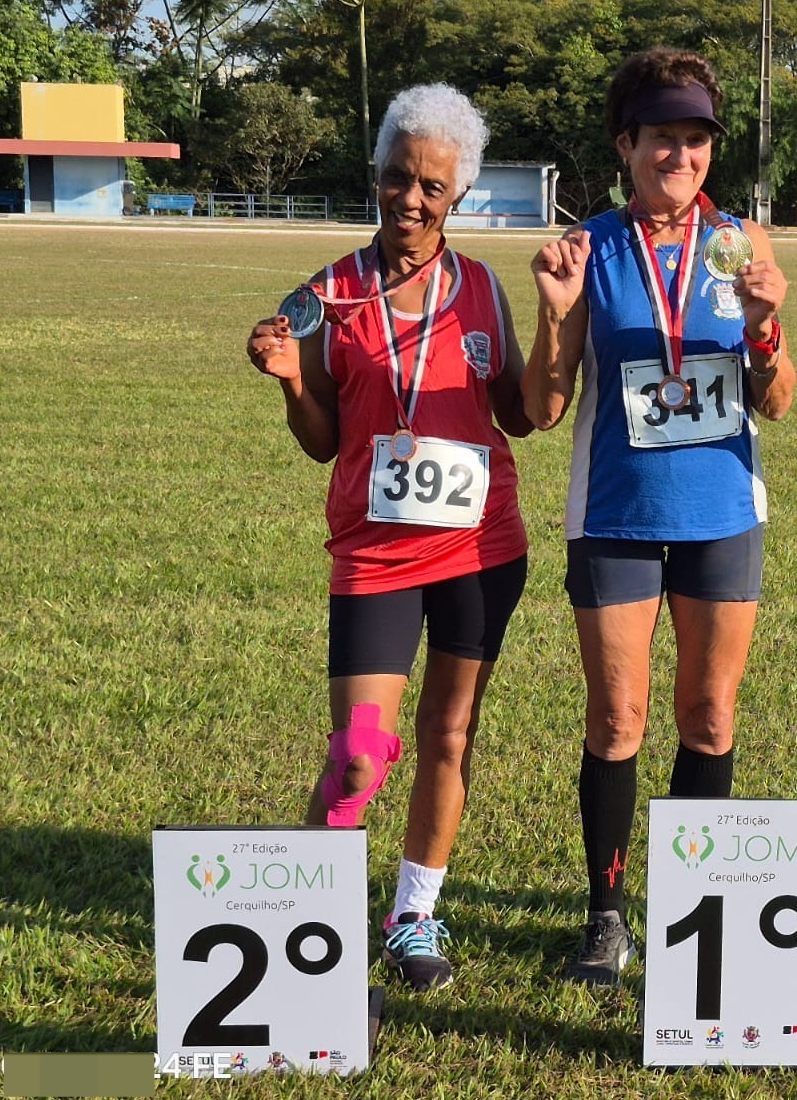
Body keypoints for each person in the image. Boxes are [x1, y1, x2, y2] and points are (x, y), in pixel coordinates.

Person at [245, 83, 533, 992]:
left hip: (482, 552)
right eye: (397, 178)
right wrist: (293, 381)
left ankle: (413, 913)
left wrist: (562, 320)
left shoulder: (482, 286)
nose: (412, 200)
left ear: (459, 197)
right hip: (374, 557)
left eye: (433, 188)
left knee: (449, 735)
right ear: (374, 175)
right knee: (359, 753)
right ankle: (307, 910)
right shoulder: (325, 295)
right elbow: (324, 441)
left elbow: (521, 415)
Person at [525, 46, 796, 986]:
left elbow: (780, 399)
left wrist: (764, 325)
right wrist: (557, 313)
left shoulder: (746, 245)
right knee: (618, 718)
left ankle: (695, 909)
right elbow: (545, 405)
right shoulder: (587, 247)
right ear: (625, 144)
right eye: (660, 139)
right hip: (615, 515)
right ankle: (606, 915)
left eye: (694, 140)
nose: (678, 156)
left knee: (710, 716)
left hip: (723, 512)